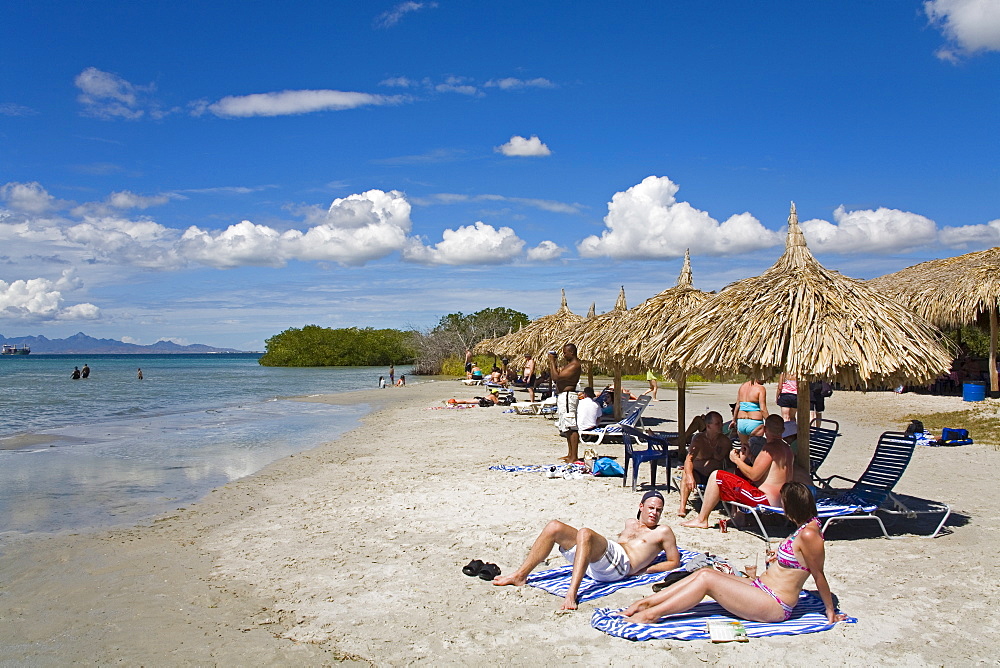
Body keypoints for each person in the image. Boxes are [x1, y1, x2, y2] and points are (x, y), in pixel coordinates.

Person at [622, 482, 846, 625]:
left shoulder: (809, 535)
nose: (781, 506)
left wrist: (830, 611)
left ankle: (652, 615)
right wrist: (777, 558)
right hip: (761, 587)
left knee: (708, 580)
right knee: (704, 572)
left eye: (784, 503)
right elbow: (798, 562)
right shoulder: (803, 528)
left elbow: (818, 575)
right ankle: (646, 604)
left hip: (774, 603)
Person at [493, 491, 682, 611]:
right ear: (641, 507)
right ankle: (520, 575)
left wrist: (647, 570)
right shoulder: (630, 523)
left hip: (621, 566)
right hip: (599, 565)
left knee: (585, 533)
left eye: (659, 510)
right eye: (651, 508)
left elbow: (674, 562)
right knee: (554, 527)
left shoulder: (662, 531)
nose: (654, 513)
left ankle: (571, 593)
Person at [681, 415, 793, 529]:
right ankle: (739, 517)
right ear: (783, 430)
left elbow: (754, 475)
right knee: (737, 474)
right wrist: (749, 456)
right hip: (783, 500)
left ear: (764, 429)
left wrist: (737, 460)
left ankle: (702, 519)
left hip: (765, 500)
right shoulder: (787, 448)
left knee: (717, 476)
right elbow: (768, 471)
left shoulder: (769, 449)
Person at [677, 411, 731, 517]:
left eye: (721, 422)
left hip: (715, 477)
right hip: (699, 473)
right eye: (717, 423)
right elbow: (689, 459)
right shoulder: (699, 439)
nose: (721, 425)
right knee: (686, 474)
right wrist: (690, 476)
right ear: (708, 426)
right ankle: (682, 506)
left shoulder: (725, 441)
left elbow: (728, 462)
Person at [548, 343, 582, 462]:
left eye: (565, 353)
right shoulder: (569, 365)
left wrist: (552, 362)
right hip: (564, 396)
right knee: (567, 426)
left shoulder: (575, 365)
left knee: (571, 426)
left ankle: (574, 456)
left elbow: (556, 377)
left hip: (568, 396)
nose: (564, 355)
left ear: (571, 352)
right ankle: (570, 453)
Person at [731, 377, 768, 447]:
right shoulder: (760, 388)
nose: (766, 381)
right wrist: (770, 421)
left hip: (741, 422)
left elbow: (738, 405)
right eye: (766, 378)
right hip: (755, 423)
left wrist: (734, 420)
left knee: (745, 449)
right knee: (756, 450)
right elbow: (763, 409)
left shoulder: (742, 386)